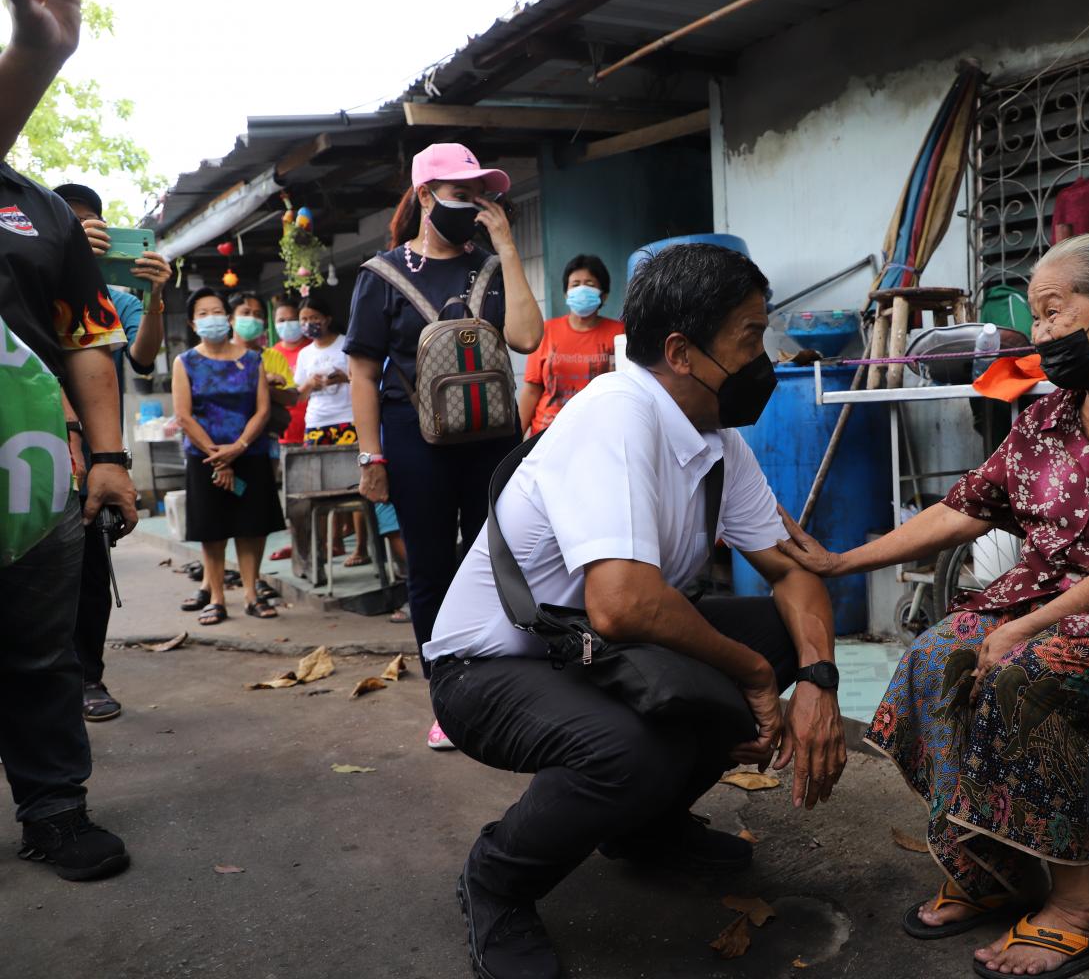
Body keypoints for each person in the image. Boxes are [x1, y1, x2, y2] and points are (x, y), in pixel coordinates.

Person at [778, 233, 1089, 979]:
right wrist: (842, 559)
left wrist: (1031, 624)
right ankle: (990, 868)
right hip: (1067, 591)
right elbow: (966, 505)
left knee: (1030, 668)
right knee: (936, 653)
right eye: (1034, 318)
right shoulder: (1046, 417)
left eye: (1051, 312)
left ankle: (1082, 910)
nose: (1039, 333)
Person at [426, 242, 846, 979]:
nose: (763, 356)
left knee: (780, 633)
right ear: (682, 351)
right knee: (628, 750)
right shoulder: (617, 415)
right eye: (750, 337)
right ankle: (497, 881)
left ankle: (645, 830)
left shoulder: (716, 436)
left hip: (592, 650)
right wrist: (753, 677)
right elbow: (621, 605)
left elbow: (797, 572)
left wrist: (817, 677)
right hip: (489, 668)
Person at [0, 0, 135, 881]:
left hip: (34, 478)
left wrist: (113, 456)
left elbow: (91, 343)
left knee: (41, 652)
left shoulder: (44, 212)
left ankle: (54, 808)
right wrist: (41, 55)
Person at [346, 142, 544, 750]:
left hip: (493, 440)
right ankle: (450, 700)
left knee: (500, 562)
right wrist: (370, 456)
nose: (475, 205)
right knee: (430, 571)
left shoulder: (489, 265)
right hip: (415, 444)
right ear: (426, 195)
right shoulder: (382, 276)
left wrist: (508, 247)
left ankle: (512, 688)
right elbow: (361, 374)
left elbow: (527, 338)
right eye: (461, 193)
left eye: (483, 194)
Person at [51, 181, 171, 722]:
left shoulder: (112, 299)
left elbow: (143, 361)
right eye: (69, 222)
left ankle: (88, 677)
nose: (83, 230)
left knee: (90, 572)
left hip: (97, 458)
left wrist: (157, 300)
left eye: (89, 222)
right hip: (34, 447)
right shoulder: (25, 285)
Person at [172, 287, 284, 624]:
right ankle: (217, 597)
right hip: (205, 457)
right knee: (213, 529)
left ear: (228, 316)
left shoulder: (252, 359)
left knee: (252, 526)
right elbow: (184, 415)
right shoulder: (185, 362)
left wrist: (239, 447)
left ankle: (251, 593)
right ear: (193, 323)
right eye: (203, 313)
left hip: (250, 451)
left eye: (216, 311)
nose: (211, 318)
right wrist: (217, 455)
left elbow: (262, 410)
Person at [295, 294, 405, 572]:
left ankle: (360, 546)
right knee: (317, 489)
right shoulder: (305, 354)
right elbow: (298, 395)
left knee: (358, 484)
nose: (309, 324)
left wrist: (344, 378)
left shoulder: (346, 344)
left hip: (349, 420)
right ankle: (326, 546)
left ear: (328, 319)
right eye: (304, 320)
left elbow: (365, 379)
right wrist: (311, 383)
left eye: (314, 318)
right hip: (316, 424)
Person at [518, 254, 624, 436]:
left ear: (604, 295)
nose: (582, 289)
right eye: (575, 284)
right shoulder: (547, 330)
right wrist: (514, 438)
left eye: (590, 284)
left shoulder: (620, 333)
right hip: (547, 434)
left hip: (600, 432)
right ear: (566, 293)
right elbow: (532, 391)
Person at [265, 295, 309, 562]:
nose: (288, 324)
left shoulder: (314, 348)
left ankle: (332, 542)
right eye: (281, 320)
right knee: (293, 497)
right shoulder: (272, 354)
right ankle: (298, 546)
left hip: (313, 431)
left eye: (293, 319)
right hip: (285, 435)